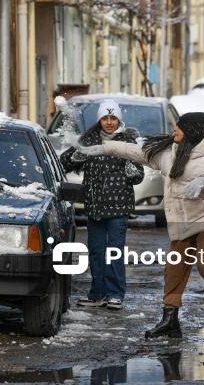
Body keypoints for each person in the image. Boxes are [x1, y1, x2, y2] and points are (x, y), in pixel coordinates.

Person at [77, 112, 204, 337]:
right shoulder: (167, 155)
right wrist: (105, 148)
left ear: (191, 132)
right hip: (182, 223)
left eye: (179, 127)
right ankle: (170, 320)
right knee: (174, 271)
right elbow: (135, 151)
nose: (175, 130)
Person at [60, 100, 144, 310]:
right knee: (97, 251)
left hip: (118, 208)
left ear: (119, 119)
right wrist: (77, 155)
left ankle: (115, 295)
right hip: (95, 206)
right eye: (105, 118)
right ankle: (97, 293)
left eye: (113, 118)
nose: (109, 122)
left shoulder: (127, 141)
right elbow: (65, 162)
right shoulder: (89, 140)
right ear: (99, 120)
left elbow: (139, 176)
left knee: (114, 251)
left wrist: (132, 170)